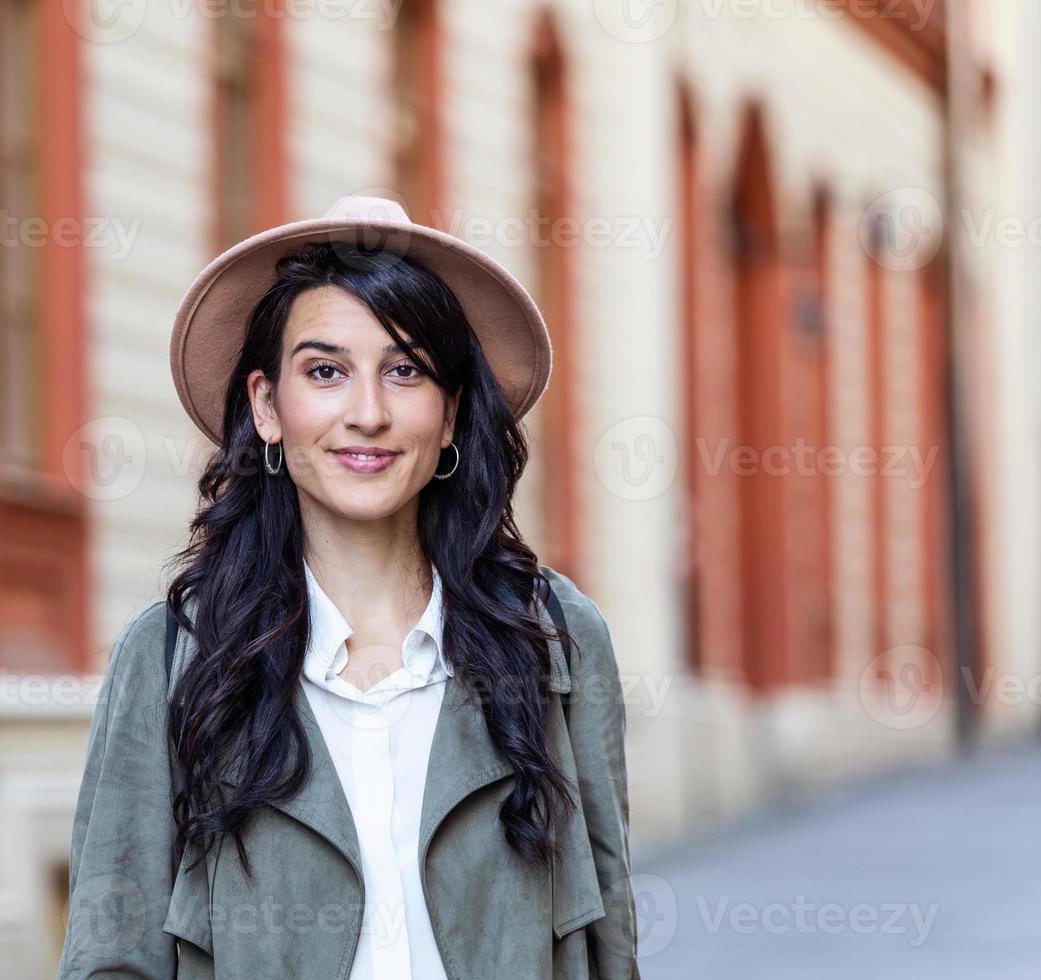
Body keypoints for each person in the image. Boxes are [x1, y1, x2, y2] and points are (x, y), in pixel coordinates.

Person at [56, 195, 640, 979]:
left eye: (404, 371)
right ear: (268, 406)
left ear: (450, 412)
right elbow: (112, 956)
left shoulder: (551, 639)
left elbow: (610, 937)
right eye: (325, 372)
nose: (367, 413)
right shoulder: (173, 655)